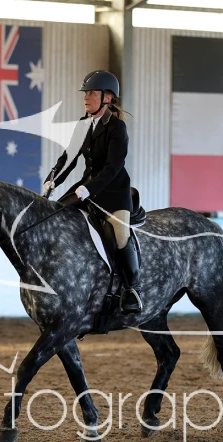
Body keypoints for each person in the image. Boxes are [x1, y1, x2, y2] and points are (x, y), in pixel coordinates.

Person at [42, 70, 142, 314]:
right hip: (86, 188)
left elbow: (113, 167)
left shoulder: (117, 127)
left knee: (121, 235)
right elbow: (69, 158)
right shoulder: (83, 124)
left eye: (91, 93)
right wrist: (52, 180)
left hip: (114, 192)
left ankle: (132, 289)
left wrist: (88, 188)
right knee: (57, 216)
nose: (86, 98)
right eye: (85, 93)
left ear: (107, 97)